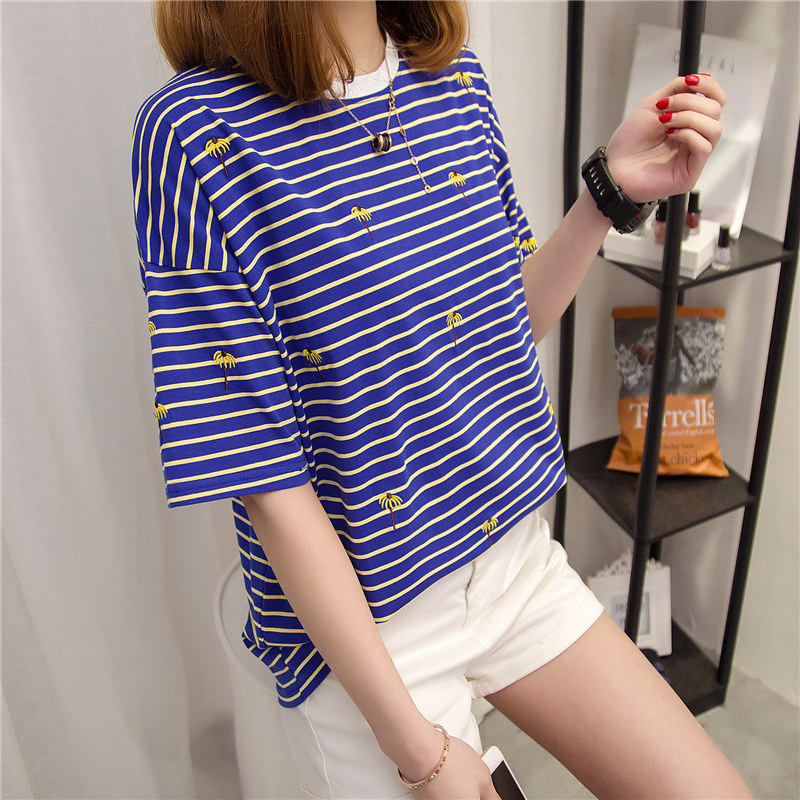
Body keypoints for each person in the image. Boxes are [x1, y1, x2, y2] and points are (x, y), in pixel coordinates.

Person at [132, 2, 752, 798]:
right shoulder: (193, 133)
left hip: (511, 561)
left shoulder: (454, 81)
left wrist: (606, 197)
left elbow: (500, 325)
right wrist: (418, 751)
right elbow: (267, 482)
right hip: (368, 634)